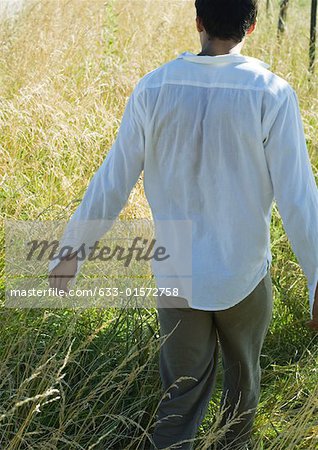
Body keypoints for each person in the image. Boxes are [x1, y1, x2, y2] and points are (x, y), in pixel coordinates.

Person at [49, 0, 318, 448]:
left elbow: (112, 180)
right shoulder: (272, 93)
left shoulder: (153, 89)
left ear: (198, 22)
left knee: (178, 409)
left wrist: (70, 253)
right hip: (244, 276)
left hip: (177, 277)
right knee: (241, 405)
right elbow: (298, 196)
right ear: (251, 25)